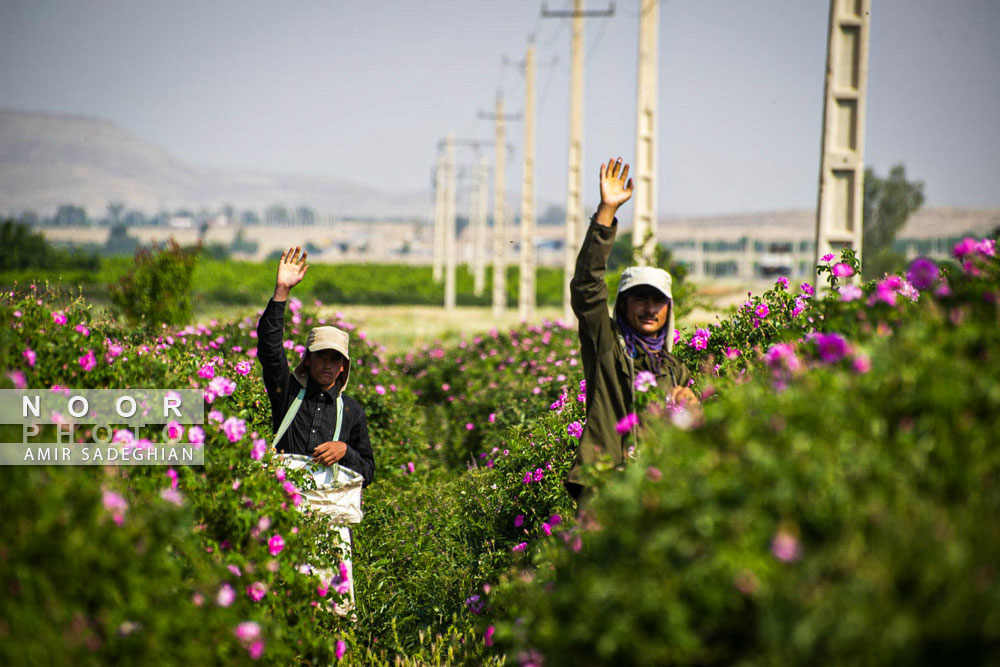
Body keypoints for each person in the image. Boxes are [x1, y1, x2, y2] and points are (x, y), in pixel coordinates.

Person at [565, 158, 698, 503]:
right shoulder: (606, 345)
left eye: (658, 301)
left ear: (669, 309)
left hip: (655, 494)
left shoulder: (675, 370)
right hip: (602, 487)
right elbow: (586, 288)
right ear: (623, 304)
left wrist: (694, 407)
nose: (649, 308)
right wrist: (606, 212)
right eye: (640, 299)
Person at [256, 245, 375, 615]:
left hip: (329, 522)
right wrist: (282, 293)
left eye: (335, 359)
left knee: (329, 609)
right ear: (308, 360)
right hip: (283, 515)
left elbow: (368, 470)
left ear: (344, 367)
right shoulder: (287, 393)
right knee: (278, 598)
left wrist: (345, 452)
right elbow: (269, 348)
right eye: (322, 356)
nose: (328, 364)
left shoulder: (351, 413)